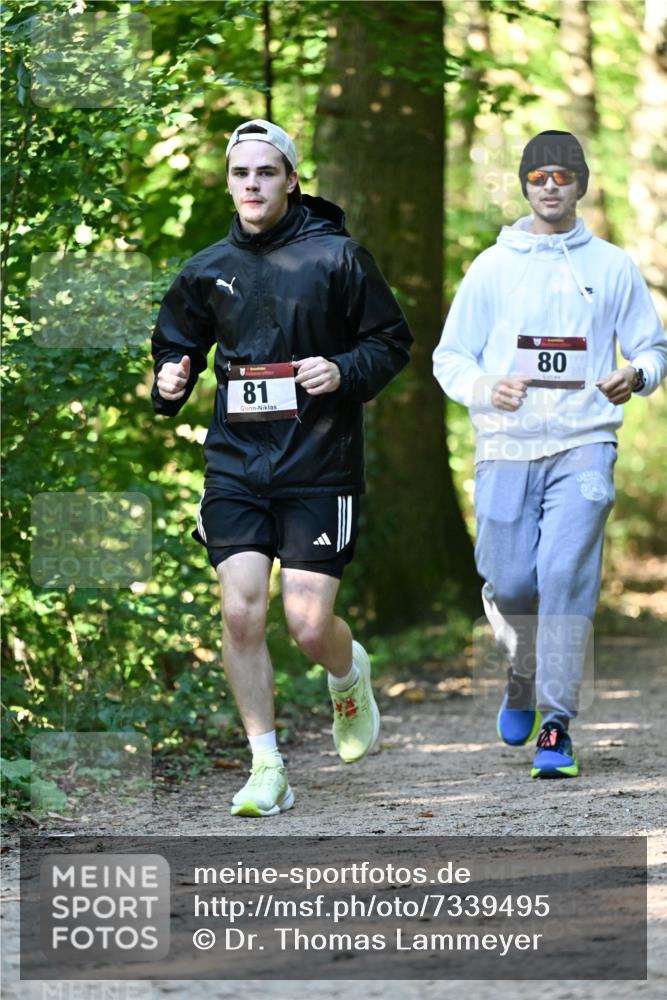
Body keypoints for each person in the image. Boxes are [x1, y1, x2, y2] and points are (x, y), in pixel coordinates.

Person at [151, 119, 412, 815]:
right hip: (236, 462)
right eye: (241, 173)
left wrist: (343, 368)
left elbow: (389, 341)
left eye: (266, 172)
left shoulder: (336, 258)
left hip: (318, 463)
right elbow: (175, 344)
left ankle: (345, 670)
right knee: (240, 613)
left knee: (304, 625)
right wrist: (169, 381)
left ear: (291, 180)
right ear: (229, 182)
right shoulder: (206, 268)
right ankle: (266, 766)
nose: (252, 185)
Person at [433, 130, 667, 778]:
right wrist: (485, 386)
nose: (550, 186)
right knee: (508, 581)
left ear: (580, 184)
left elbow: (653, 348)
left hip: (584, 441)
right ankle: (521, 668)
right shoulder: (491, 267)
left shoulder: (611, 266)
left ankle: (556, 726)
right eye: (538, 176)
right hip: (505, 443)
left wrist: (636, 376)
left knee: (563, 575)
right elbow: (448, 357)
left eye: (562, 175)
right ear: (524, 185)